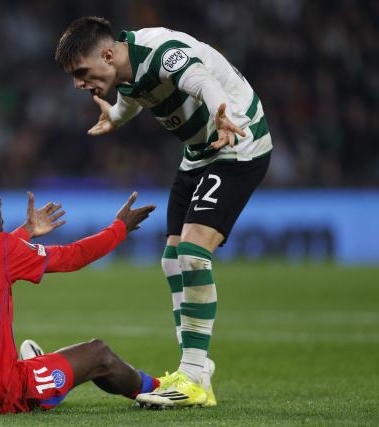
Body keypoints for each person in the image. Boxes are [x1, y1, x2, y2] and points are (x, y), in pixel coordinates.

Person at [55, 17, 272, 408]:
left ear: (107, 54)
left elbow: (200, 79)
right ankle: (195, 371)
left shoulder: (161, 53)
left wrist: (220, 110)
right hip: (198, 153)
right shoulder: (124, 69)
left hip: (237, 141)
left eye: (82, 72)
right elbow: (136, 97)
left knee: (192, 251)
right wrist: (116, 118)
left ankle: (192, 376)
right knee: (172, 260)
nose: (78, 84)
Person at [0, 177, 157, 415]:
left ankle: (38, 369)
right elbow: (74, 256)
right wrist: (119, 228)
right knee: (99, 354)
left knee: (16, 364)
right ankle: (158, 388)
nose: (1, 215)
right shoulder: (2, 249)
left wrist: (27, 231)